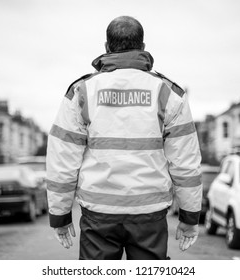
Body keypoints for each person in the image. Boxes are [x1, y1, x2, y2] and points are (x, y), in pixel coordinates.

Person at [46, 16, 202, 260]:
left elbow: (63, 158)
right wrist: (189, 217)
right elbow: (186, 162)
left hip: (99, 215)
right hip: (149, 215)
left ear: (107, 47)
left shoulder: (83, 91)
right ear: (142, 46)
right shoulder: (168, 93)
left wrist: (60, 215)